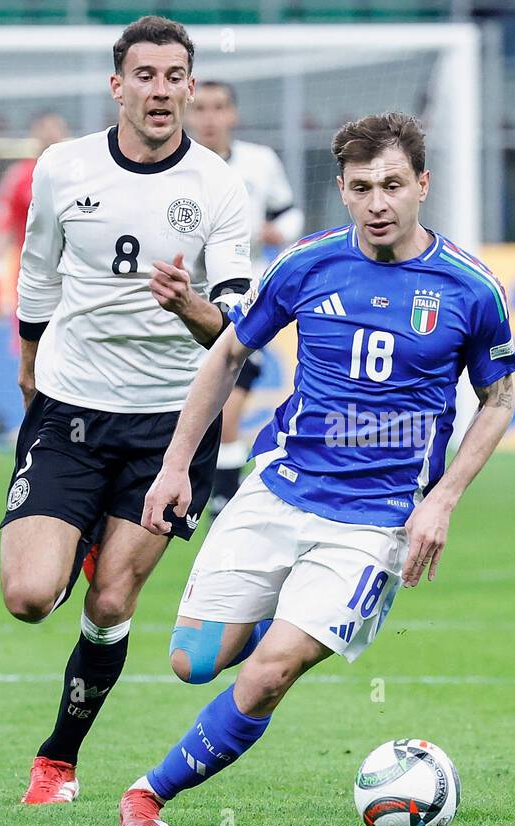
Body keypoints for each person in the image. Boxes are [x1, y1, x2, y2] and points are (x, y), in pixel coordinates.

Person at [116, 111, 515, 826]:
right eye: (362, 187)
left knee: (269, 672)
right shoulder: (307, 263)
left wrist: (444, 499)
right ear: (342, 189)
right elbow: (229, 353)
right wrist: (177, 467)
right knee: (192, 662)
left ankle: (149, 792)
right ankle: (288, 605)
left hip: (375, 520)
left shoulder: (468, 287)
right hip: (280, 490)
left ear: (423, 185)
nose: (378, 202)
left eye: (393, 185)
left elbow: (500, 395)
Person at [0, 15, 252, 805]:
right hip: (70, 407)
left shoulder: (219, 186)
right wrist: (30, 369)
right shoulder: (62, 168)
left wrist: (190, 307)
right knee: (31, 597)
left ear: (188, 85)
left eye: (175, 76)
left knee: (111, 600)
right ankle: (75, 541)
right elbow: (37, 276)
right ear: (118, 86)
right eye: (145, 75)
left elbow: (240, 329)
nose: (161, 91)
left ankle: (58, 761)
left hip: (170, 426)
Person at [189, 79, 305, 516]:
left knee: (230, 404)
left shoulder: (260, 163)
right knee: (202, 412)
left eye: (219, 107)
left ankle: (221, 502)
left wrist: (282, 232)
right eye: (200, 108)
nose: (210, 118)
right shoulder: (177, 167)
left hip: (246, 301)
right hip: (186, 305)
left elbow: (288, 211)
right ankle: (211, 496)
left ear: (233, 114)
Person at [0, 111, 70, 336]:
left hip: (74, 280)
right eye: (46, 129)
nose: (52, 135)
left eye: (56, 129)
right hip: (31, 280)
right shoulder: (20, 176)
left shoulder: (79, 177)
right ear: (36, 134)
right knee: (31, 356)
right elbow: (1, 229)